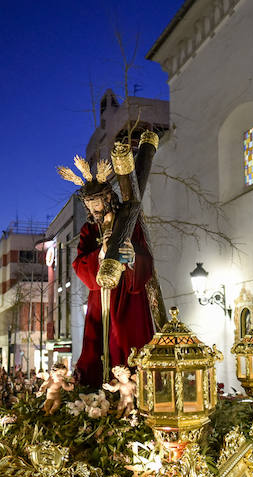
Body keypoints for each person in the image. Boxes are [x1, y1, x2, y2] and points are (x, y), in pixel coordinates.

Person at [68, 148, 156, 387]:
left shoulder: (130, 221)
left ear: (108, 198)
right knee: (97, 345)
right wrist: (103, 253)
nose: (94, 211)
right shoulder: (89, 231)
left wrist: (132, 259)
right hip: (99, 299)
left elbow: (147, 260)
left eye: (97, 205)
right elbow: (79, 265)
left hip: (128, 298)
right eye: (90, 207)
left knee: (127, 343)